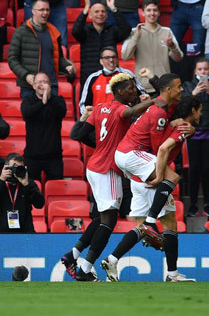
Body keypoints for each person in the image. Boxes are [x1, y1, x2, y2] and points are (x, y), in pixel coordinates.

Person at [62, 72, 156, 281]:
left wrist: (101, 146)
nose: (134, 90)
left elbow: (80, 133)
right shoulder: (121, 109)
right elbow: (130, 111)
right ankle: (85, 268)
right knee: (109, 220)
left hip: (95, 166)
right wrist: (155, 100)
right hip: (107, 169)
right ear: (119, 92)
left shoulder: (100, 108)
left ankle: (73, 255)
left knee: (102, 218)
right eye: (130, 88)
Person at [103, 77, 197, 282]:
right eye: (179, 87)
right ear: (169, 90)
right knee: (172, 183)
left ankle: (112, 259)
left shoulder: (166, 107)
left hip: (136, 171)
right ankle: (171, 272)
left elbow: (169, 93)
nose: (181, 89)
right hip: (131, 154)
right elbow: (159, 149)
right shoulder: (162, 115)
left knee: (144, 228)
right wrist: (162, 175)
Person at [182, 58, 209, 216]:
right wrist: (193, 94)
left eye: (206, 69)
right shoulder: (187, 86)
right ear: (195, 71)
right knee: (194, 169)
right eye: (200, 69)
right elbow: (182, 106)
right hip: (192, 132)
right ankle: (193, 205)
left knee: (207, 169)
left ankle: (207, 203)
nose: (203, 72)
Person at [8, 0, 76, 97]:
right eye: (41, 10)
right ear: (33, 11)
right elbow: (12, 59)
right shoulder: (21, 32)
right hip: (30, 86)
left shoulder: (54, 31)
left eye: (47, 10)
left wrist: (66, 66)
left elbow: (58, 58)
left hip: (50, 84)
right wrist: (26, 75)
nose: (45, 13)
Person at [120, 2, 183, 92]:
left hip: (164, 85)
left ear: (159, 13)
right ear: (143, 13)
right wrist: (136, 37)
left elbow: (178, 58)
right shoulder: (134, 31)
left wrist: (172, 46)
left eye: (155, 10)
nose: (152, 13)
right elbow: (125, 56)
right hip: (143, 86)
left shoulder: (167, 31)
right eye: (148, 10)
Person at [72, 0, 131, 79]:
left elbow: (126, 30)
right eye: (96, 12)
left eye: (103, 11)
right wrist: (86, 8)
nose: (100, 14)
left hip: (110, 75)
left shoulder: (111, 29)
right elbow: (75, 32)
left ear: (106, 16)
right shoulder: (85, 31)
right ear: (90, 16)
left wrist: (113, 9)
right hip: (89, 77)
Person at [0, 152, 45, 232]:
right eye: (13, 168)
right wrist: (1, 180)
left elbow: (40, 204)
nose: (16, 171)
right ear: (6, 168)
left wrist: (26, 185)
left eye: (20, 168)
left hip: (23, 233)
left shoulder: (28, 184)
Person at [21, 72, 66, 183]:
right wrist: (42, 102)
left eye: (45, 82)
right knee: (30, 190)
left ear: (50, 85)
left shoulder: (58, 100)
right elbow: (27, 114)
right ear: (34, 85)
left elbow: (61, 112)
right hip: (32, 155)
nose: (42, 85)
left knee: (56, 189)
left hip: (54, 156)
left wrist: (48, 98)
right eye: (39, 82)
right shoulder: (28, 100)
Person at [79, 46, 142, 115]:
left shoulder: (127, 75)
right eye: (107, 58)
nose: (111, 60)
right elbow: (83, 104)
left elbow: (142, 95)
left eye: (113, 57)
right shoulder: (93, 78)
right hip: (98, 120)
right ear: (101, 61)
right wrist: (91, 117)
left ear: (117, 60)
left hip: (122, 118)